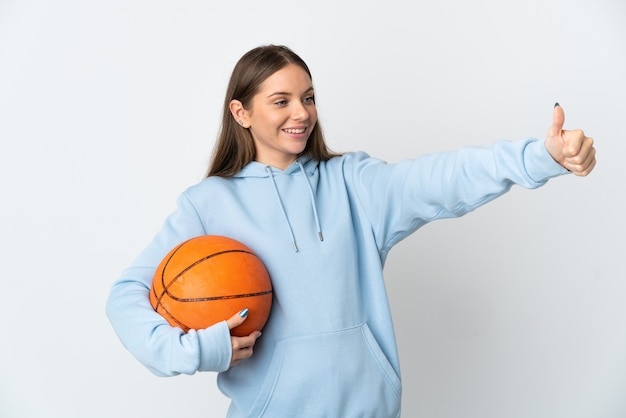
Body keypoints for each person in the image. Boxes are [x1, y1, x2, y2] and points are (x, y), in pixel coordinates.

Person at [106, 44, 596, 417]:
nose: (301, 113)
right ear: (242, 112)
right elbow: (128, 294)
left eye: (308, 97)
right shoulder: (208, 204)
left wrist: (540, 156)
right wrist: (198, 349)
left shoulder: (352, 183)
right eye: (281, 101)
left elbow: (441, 178)